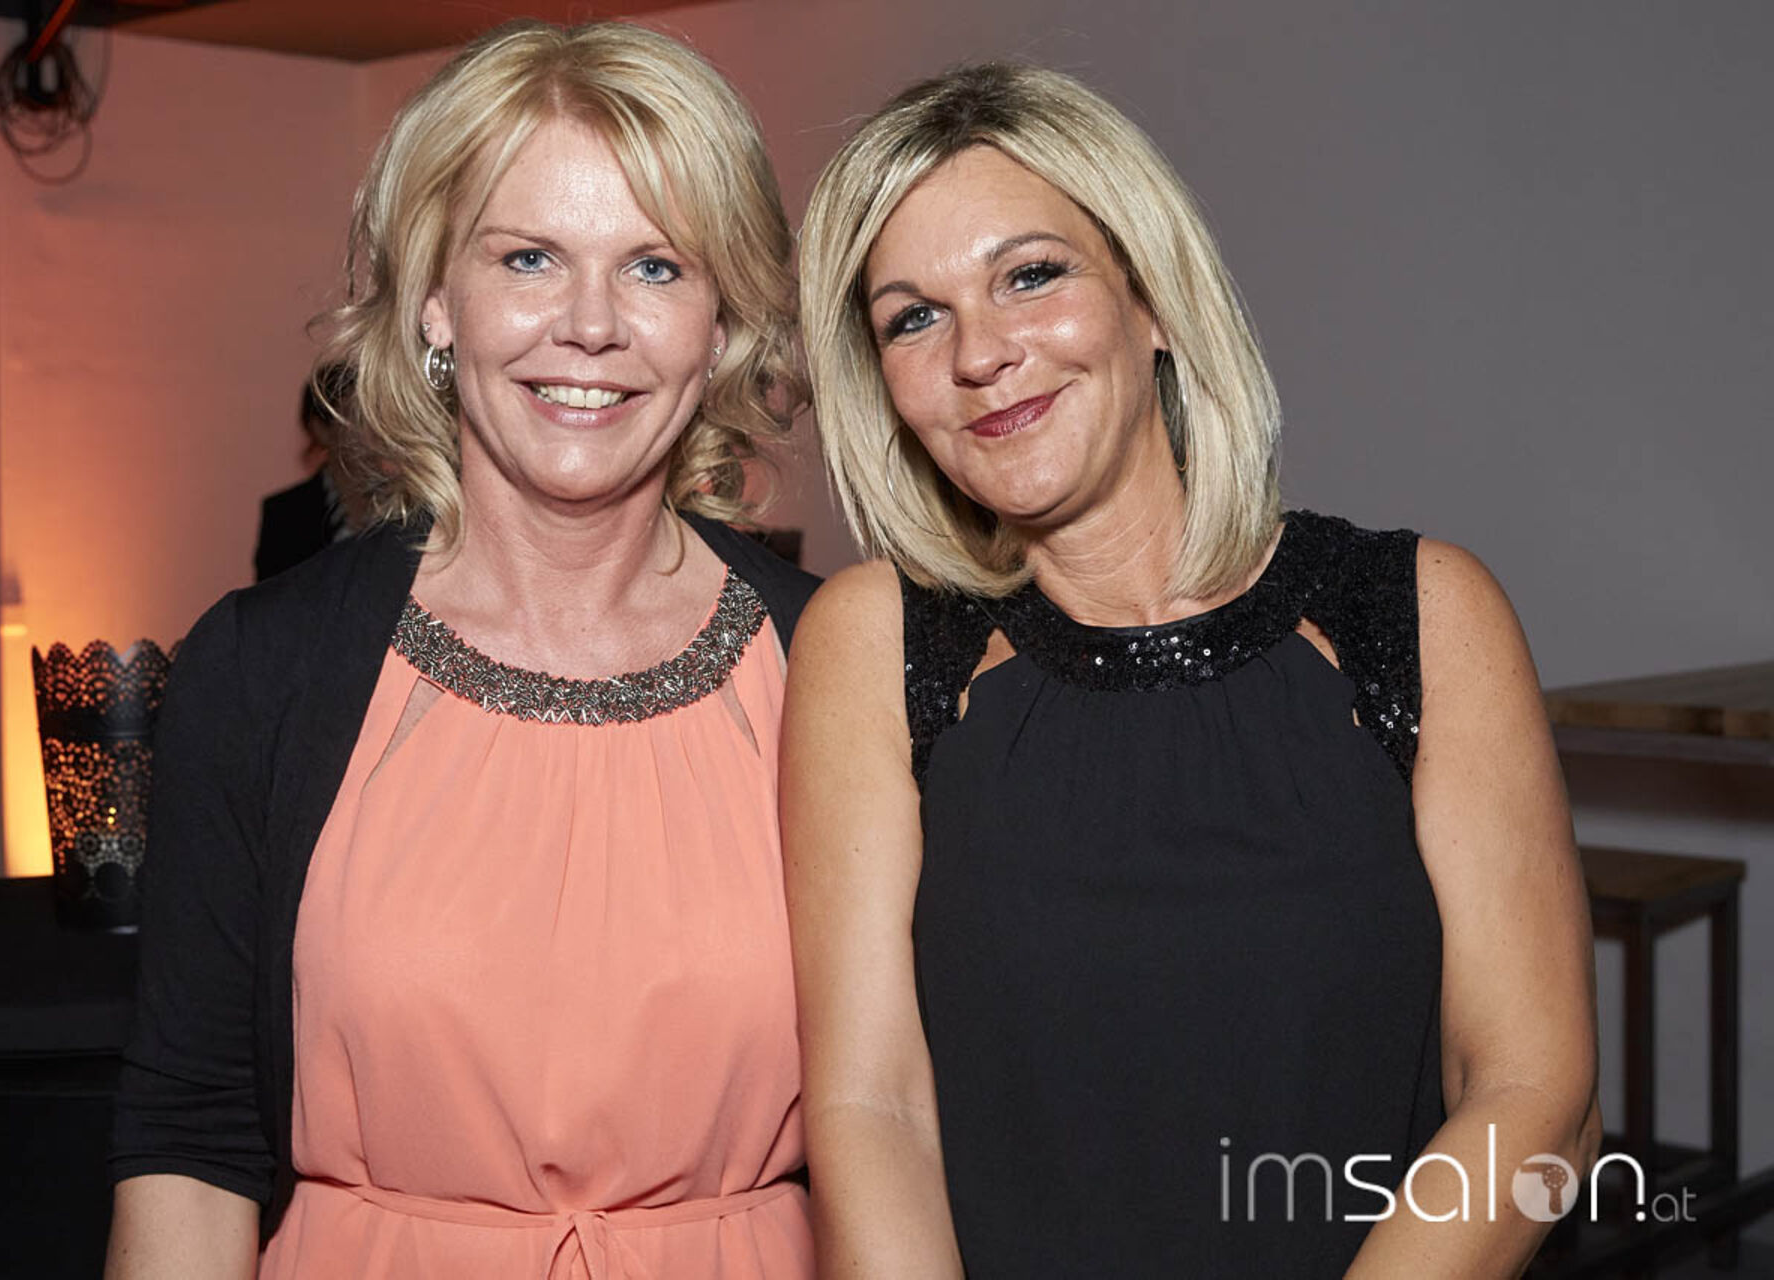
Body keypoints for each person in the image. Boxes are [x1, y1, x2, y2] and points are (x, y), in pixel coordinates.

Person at [785, 63, 1601, 1277]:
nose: (980, 352)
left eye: (1030, 274)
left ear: (1153, 298)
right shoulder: (873, 643)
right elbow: (873, 1109)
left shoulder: (1422, 613)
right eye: (914, 317)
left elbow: (1535, 1090)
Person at [106, 21, 816, 1279]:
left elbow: (916, 1115)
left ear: (720, 325)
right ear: (438, 297)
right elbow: (191, 1140)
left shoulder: (832, 669)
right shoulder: (263, 670)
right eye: (528, 257)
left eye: (656, 266)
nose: (589, 325)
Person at [253, 365, 356, 582]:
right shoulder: (286, 514)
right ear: (321, 429)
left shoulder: (402, 506)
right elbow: (273, 594)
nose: (373, 429)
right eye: (355, 416)